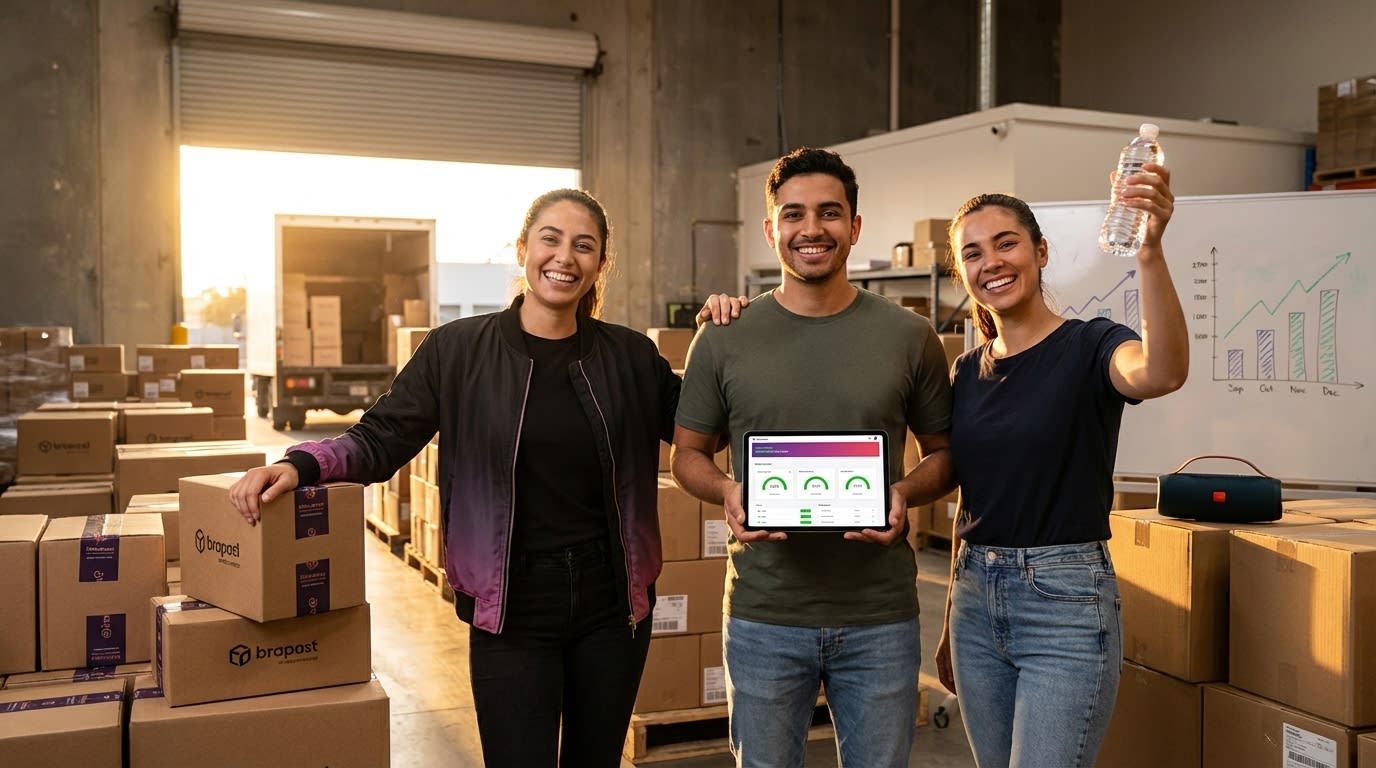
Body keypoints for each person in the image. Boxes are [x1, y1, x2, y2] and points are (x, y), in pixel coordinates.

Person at [227, 188, 738, 768]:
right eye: (551, 239)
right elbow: (380, 439)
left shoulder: (629, 357)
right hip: (511, 604)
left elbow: (707, 432)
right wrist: (301, 463)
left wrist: (726, 340)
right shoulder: (458, 352)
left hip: (612, 604)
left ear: (600, 265)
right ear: (523, 249)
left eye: (584, 246)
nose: (564, 257)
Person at [672, 147, 956, 768]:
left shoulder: (909, 337)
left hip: (879, 616)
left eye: (830, 213)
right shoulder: (723, 336)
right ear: (772, 229)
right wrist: (726, 492)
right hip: (764, 614)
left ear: (854, 228)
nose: (812, 229)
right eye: (793, 214)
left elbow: (944, 455)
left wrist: (904, 493)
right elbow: (687, 456)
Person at [933, 164, 1188, 767]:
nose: (991, 261)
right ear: (963, 275)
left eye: (1006, 243)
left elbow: (1161, 371)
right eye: (973, 253)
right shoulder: (967, 372)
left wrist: (1149, 252)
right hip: (974, 599)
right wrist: (949, 616)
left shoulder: (1092, 345)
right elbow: (970, 501)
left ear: (1040, 251)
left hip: (1064, 602)